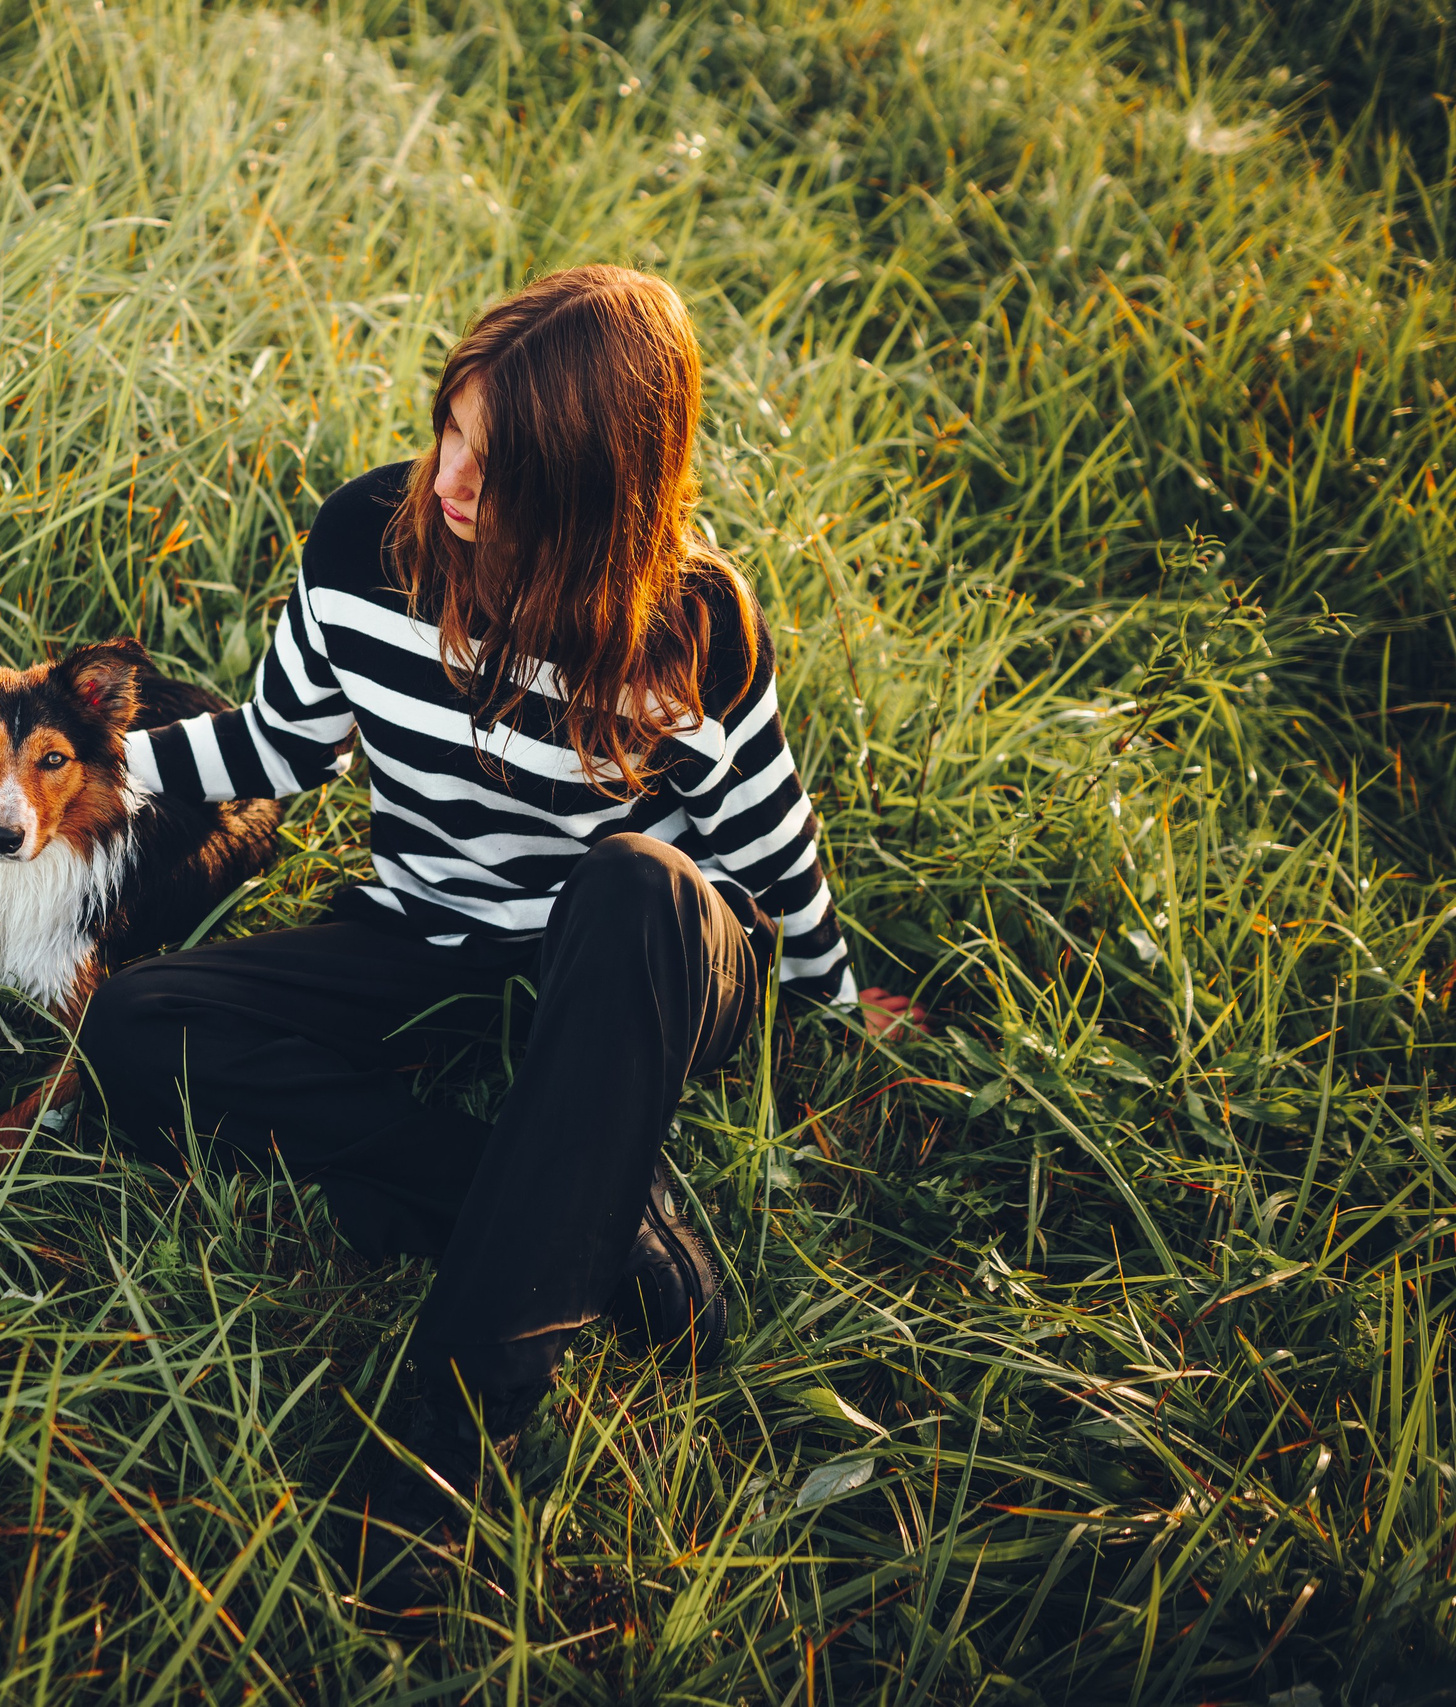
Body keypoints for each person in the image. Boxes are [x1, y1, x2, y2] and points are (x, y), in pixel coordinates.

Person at [76, 264, 919, 1617]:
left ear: (595, 490)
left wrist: (835, 991)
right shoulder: (368, 540)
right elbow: (280, 746)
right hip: (429, 932)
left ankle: (439, 1460)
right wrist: (70, 776)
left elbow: (766, 837)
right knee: (137, 1030)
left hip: (637, 969)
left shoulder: (689, 623)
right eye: (451, 429)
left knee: (634, 880)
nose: (454, 480)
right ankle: (593, 1225)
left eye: (501, 464)